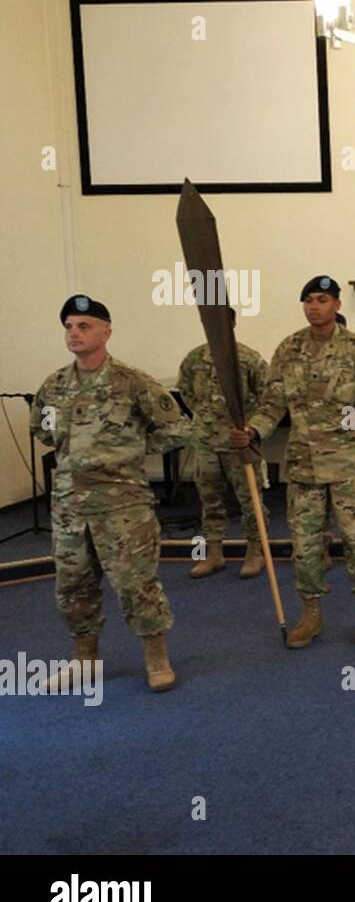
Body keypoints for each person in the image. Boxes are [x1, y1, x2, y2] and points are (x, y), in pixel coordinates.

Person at [33, 295, 191, 692]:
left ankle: (156, 659)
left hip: (123, 505)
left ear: (106, 331)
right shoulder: (54, 386)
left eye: (83, 326)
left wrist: (130, 450)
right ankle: (84, 661)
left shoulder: (132, 382)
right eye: (69, 326)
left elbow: (178, 427)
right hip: (70, 506)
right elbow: (42, 428)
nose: (74, 333)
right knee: (73, 586)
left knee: (136, 584)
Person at [232, 276, 355, 648]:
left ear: (337, 305)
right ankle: (311, 614)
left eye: (322, 299)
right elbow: (273, 402)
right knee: (305, 547)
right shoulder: (288, 349)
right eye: (307, 300)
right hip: (304, 466)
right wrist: (254, 431)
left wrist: (349, 424)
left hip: (349, 466)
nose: (314, 306)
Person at [177, 338, 269, 579]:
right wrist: (206, 417)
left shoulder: (249, 359)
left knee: (250, 501)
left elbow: (267, 397)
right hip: (206, 442)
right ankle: (214, 552)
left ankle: (254, 551)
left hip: (239, 441)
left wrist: (251, 427)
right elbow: (186, 391)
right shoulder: (195, 358)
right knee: (210, 500)